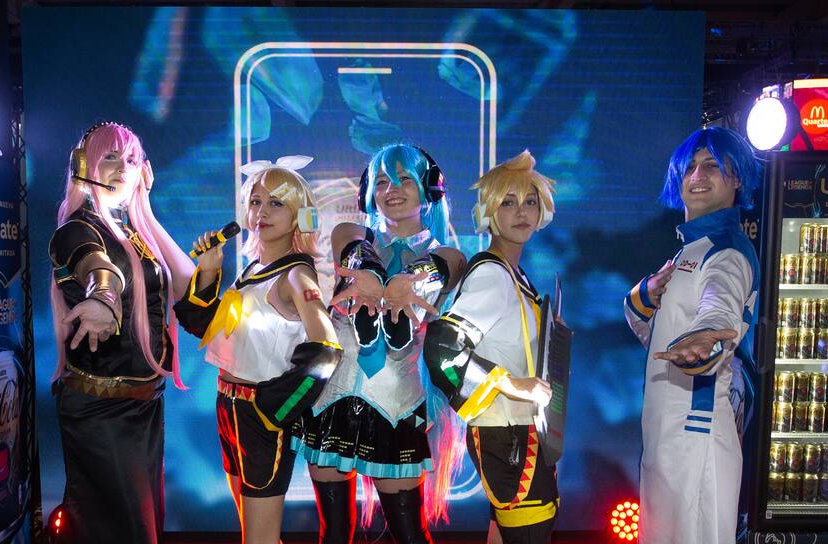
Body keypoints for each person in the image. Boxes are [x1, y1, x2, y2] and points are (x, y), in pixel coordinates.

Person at [292, 144, 467, 543]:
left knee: (410, 535)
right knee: (334, 534)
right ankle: (374, 321)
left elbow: (447, 265)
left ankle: (394, 324)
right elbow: (350, 243)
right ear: (368, 192)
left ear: (429, 188)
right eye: (383, 181)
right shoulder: (351, 234)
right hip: (335, 397)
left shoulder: (446, 253)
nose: (392, 189)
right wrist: (369, 273)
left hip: (398, 402)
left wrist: (407, 282)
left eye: (405, 179)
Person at [174, 156, 343, 544]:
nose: (262, 211)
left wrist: (274, 410)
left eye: (276, 203)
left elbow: (326, 350)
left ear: (299, 214)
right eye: (256, 201)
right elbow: (208, 327)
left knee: (259, 539)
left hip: (258, 413)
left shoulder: (296, 274)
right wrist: (210, 270)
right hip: (229, 406)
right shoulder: (251, 269)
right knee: (253, 532)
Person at [48, 121, 195, 543]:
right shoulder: (75, 228)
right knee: (124, 530)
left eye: (131, 160)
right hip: (100, 411)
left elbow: (185, 280)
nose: (122, 168)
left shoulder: (132, 233)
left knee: (142, 526)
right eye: (110, 157)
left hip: (143, 405)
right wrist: (103, 298)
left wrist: (144, 207)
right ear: (84, 166)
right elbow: (98, 268)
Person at [623, 126, 761, 544]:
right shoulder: (690, 250)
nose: (698, 175)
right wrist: (641, 297)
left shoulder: (726, 251)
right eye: (690, 167)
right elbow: (662, 340)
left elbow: (720, 306)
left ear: (737, 179)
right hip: (669, 430)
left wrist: (707, 339)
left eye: (712, 166)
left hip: (697, 431)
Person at [423, 150, 559, 543]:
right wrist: (511, 383)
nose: (522, 211)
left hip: (521, 431)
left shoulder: (513, 275)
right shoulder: (493, 276)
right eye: (508, 202)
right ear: (488, 211)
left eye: (530, 201)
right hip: (508, 434)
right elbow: (443, 347)